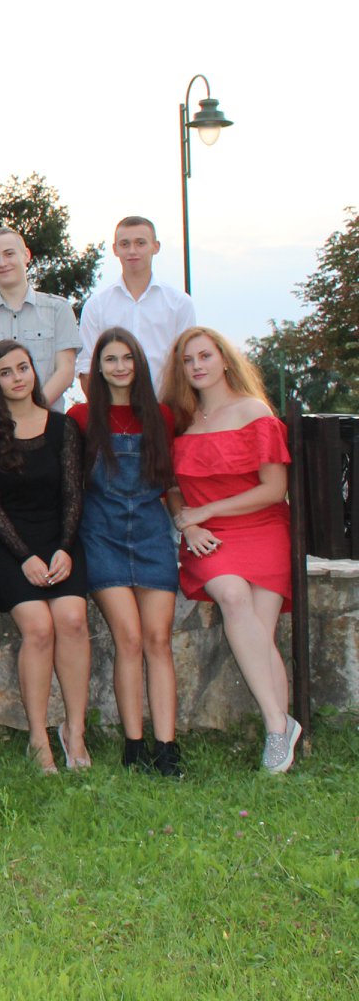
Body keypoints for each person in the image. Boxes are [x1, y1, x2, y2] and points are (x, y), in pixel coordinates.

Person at [162, 326, 302, 774]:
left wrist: (206, 511)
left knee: (261, 631)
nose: (197, 366)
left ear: (224, 359)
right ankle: (279, 726)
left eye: (205, 356)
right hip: (207, 536)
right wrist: (188, 522)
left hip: (262, 527)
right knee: (232, 594)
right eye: (188, 360)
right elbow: (170, 487)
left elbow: (273, 489)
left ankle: (277, 730)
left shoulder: (253, 410)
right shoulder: (178, 419)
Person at [0, 340, 90, 774]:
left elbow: (73, 495)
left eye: (23, 368)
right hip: (8, 546)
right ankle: (38, 737)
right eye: (6, 372)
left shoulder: (63, 428)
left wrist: (64, 549)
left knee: (72, 619)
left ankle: (75, 731)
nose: (17, 377)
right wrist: (24, 557)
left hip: (59, 541)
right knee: (38, 627)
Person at [69, 327, 182, 776]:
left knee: (158, 639)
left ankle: (167, 748)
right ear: (97, 368)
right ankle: (134, 746)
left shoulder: (161, 416)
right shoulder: (81, 418)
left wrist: (187, 522)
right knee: (129, 638)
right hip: (102, 535)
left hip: (152, 534)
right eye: (111, 359)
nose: (120, 367)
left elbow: (171, 483)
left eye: (127, 358)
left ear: (139, 363)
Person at [0, 227, 81, 411]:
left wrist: (33, 413)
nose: (2, 263)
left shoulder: (58, 309)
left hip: (48, 421)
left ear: (26, 255)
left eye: (9, 254)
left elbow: (65, 370)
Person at [76, 216, 196, 396]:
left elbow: (187, 360)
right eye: (125, 244)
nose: (132, 251)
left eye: (140, 243)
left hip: (167, 407)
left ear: (156, 247)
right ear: (115, 249)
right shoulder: (96, 306)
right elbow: (87, 366)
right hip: (113, 410)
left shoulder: (179, 303)